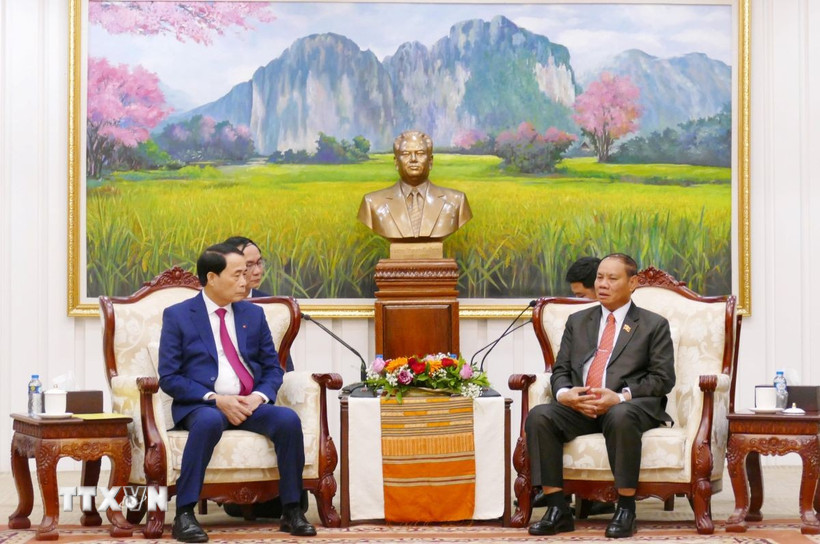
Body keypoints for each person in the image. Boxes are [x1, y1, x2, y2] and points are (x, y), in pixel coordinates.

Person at [159, 243, 316, 542]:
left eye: (246, 273)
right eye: (237, 275)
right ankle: (184, 514)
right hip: (204, 405)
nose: (245, 281)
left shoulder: (253, 315)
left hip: (249, 402)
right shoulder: (179, 316)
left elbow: (273, 369)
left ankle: (292, 510)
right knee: (207, 422)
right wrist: (216, 399)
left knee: (287, 420)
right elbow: (169, 377)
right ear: (211, 278)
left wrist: (258, 397)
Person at [525, 254, 675, 538]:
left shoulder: (652, 324)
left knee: (620, 415)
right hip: (581, 406)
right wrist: (565, 394)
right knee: (540, 416)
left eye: (612, 278)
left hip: (627, 406)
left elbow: (663, 379)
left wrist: (619, 397)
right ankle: (557, 509)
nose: (603, 284)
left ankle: (626, 509)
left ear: (633, 283)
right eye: (599, 278)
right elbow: (561, 369)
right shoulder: (578, 321)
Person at [357, 130, 472, 240]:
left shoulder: (457, 202)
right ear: (396, 162)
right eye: (406, 154)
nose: (413, 159)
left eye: (420, 153)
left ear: (430, 161)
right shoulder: (372, 203)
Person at [223, 236, 295, 372]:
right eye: (249, 265)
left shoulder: (272, 306)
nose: (258, 271)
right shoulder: (215, 303)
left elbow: (283, 365)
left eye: (259, 263)